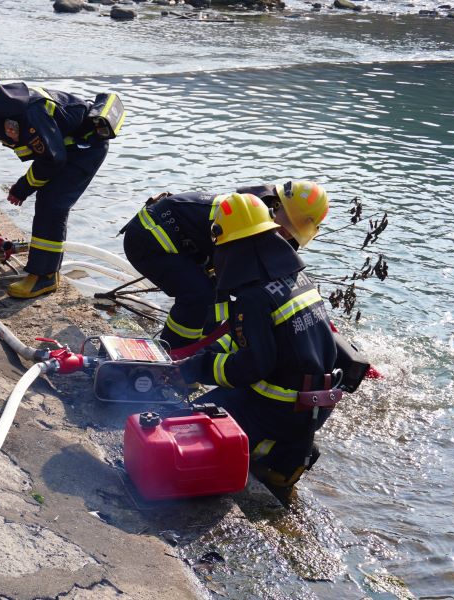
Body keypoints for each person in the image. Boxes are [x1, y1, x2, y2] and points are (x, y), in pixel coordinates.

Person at [177, 192, 338, 496]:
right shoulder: (296, 278)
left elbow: (254, 365)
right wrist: (207, 354)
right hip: (312, 406)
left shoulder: (254, 297)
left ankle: (269, 451)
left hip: (279, 410)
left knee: (187, 425)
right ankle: (285, 459)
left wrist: (199, 367)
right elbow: (261, 339)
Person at [0, 61, 112, 298]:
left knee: (52, 204)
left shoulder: (25, 114)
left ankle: (44, 277)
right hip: (59, 150)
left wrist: (22, 188)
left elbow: (52, 160)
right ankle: (47, 272)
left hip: (85, 147)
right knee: (48, 201)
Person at [121, 181, 329, 351]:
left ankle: (199, 352)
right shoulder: (245, 216)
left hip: (190, 246)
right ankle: (172, 353)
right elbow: (232, 275)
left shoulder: (266, 218)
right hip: (149, 237)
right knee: (198, 296)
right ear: (276, 205)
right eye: (288, 225)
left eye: (295, 231)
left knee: (215, 302)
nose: (287, 234)